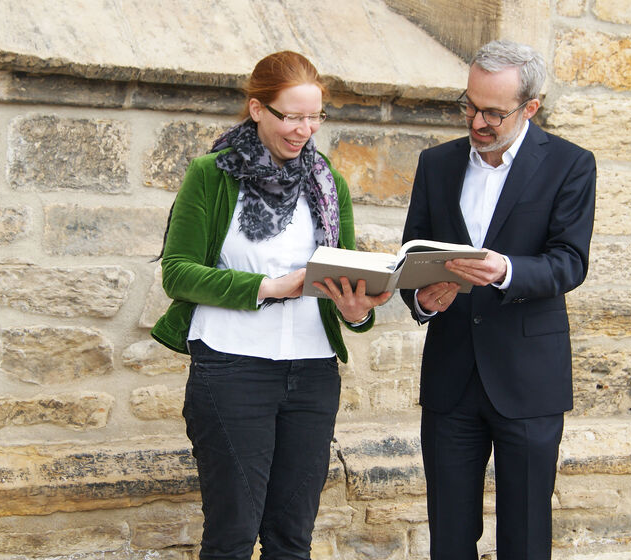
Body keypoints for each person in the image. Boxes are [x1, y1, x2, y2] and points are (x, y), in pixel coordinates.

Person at [151, 51, 389, 560]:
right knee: (232, 537)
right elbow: (178, 272)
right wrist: (270, 287)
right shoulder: (211, 175)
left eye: (314, 117)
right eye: (291, 116)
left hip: (313, 372)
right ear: (257, 109)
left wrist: (357, 311)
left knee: (291, 538)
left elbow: (342, 274)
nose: (304, 129)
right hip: (232, 368)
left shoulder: (330, 183)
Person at [400, 40, 597, 560]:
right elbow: (411, 258)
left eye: (493, 112)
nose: (477, 121)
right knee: (448, 535)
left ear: (530, 107)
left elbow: (569, 262)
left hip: (529, 379)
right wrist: (423, 300)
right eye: (470, 105)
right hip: (451, 378)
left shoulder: (570, 165)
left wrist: (505, 270)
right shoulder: (436, 164)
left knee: (526, 538)